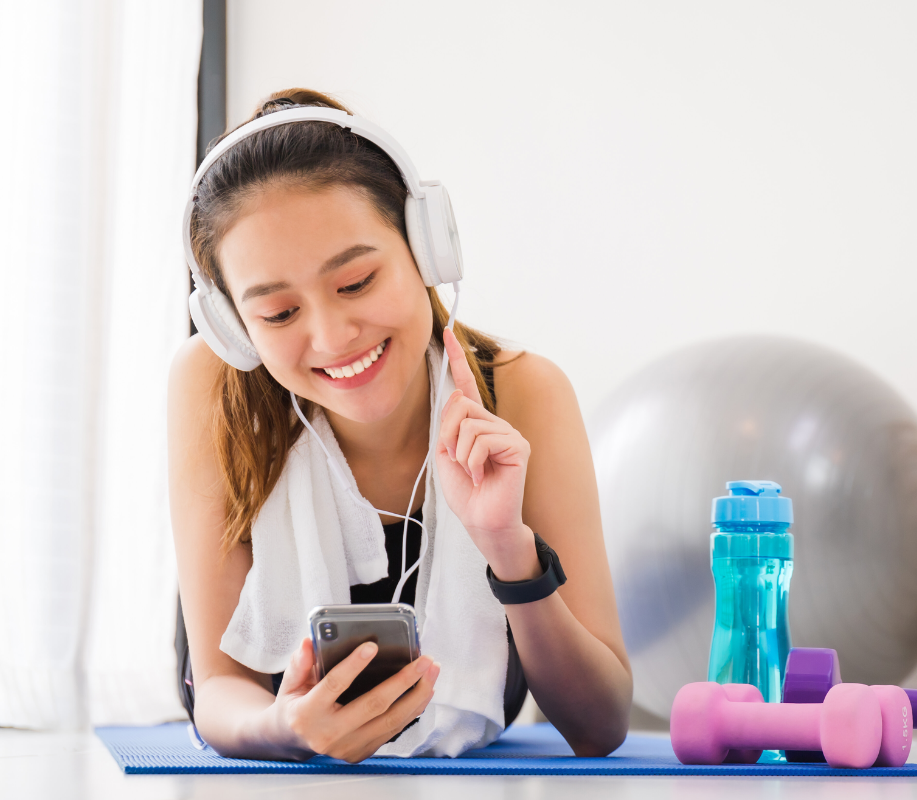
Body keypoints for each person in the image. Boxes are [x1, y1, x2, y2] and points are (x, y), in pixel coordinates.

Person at [168, 88, 631, 762]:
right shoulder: (214, 381)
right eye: (276, 315)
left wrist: (506, 545)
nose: (331, 338)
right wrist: (283, 729)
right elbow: (220, 690)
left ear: (428, 251)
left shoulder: (526, 393)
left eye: (355, 282)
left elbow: (600, 724)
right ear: (234, 328)